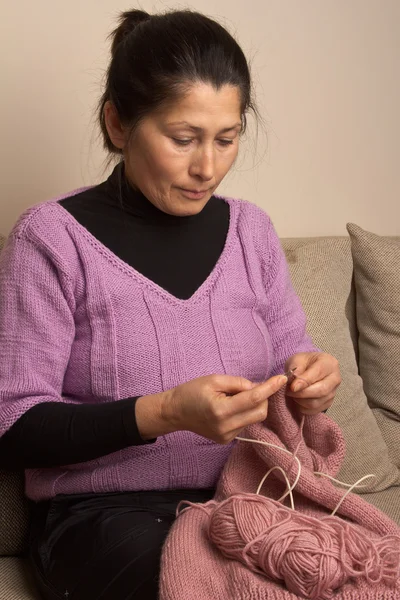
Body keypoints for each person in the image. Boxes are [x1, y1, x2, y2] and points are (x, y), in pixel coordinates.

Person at [0, 8, 341, 600]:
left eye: (226, 139)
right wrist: (165, 413)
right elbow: (12, 424)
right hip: (105, 519)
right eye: (183, 139)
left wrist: (313, 382)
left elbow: (294, 359)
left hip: (251, 499)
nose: (207, 167)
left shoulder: (250, 233)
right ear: (118, 123)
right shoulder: (51, 239)